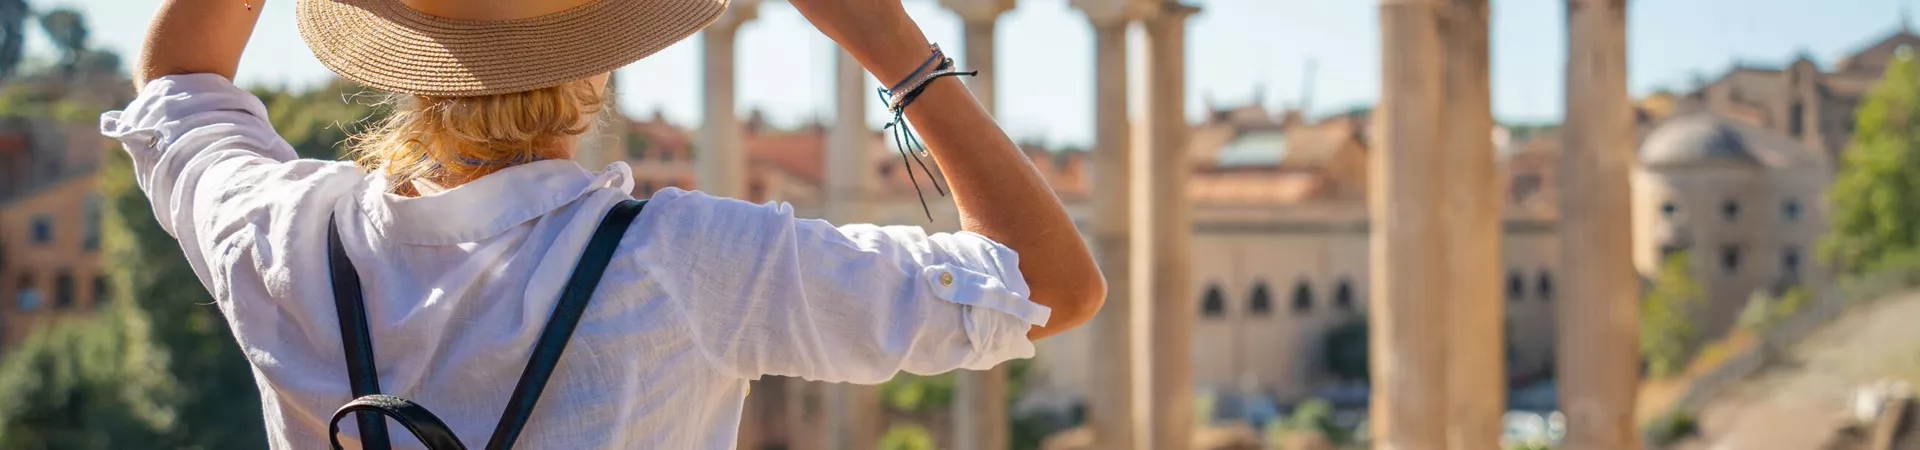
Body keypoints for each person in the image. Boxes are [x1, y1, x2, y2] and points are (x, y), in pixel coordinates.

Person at [104, 0, 1105, 448]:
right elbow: (1052, 285)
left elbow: (178, 84)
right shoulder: (690, 263)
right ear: (601, 61)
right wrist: (894, 46)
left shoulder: (281, 235)